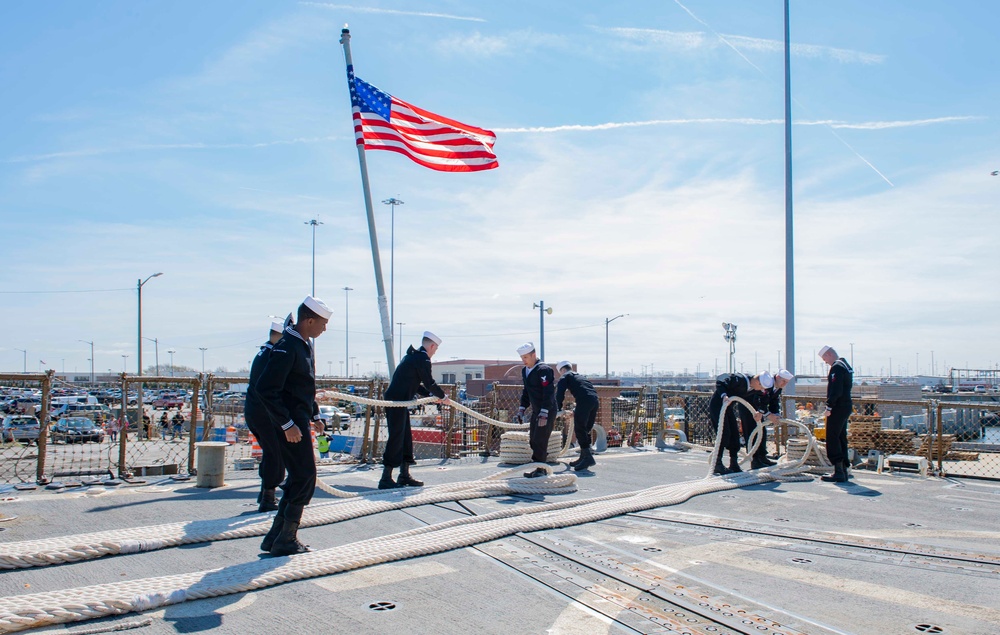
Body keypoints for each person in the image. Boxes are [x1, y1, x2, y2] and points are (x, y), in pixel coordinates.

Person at [254, 295, 331, 556]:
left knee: (301, 476)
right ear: (309, 320)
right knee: (304, 476)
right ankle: (286, 538)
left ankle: (276, 536)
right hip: (288, 426)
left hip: (296, 421)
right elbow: (265, 389)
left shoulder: (303, 344)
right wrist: (287, 424)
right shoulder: (288, 346)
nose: (325, 328)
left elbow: (302, 387)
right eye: (322, 323)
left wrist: (316, 414)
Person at [380, 331, 449, 489]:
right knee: (396, 438)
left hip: (399, 401)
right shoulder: (422, 358)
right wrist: (442, 396)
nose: (434, 352)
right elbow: (429, 382)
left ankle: (404, 475)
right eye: (435, 349)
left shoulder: (412, 356)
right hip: (396, 402)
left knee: (405, 438)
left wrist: (432, 395)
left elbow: (416, 385)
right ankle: (386, 477)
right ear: (432, 346)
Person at [244, 318, 289, 512]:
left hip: (256, 411)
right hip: (265, 413)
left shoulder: (262, 353)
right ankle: (268, 496)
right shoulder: (272, 356)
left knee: (271, 452)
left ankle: (265, 492)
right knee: (275, 453)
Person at [707, 371, 773, 475]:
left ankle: (734, 463)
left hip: (729, 408)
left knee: (734, 434)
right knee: (724, 434)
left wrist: (760, 412)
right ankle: (717, 463)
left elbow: (764, 398)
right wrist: (724, 395)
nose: (761, 390)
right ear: (757, 381)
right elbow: (721, 379)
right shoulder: (740, 379)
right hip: (718, 406)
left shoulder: (754, 389)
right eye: (761, 387)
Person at [517, 343, 557, 478]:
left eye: (526, 357)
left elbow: (549, 391)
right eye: (522, 357)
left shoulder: (543, 370)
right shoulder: (525, 371)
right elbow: (526, 391)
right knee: (533, 439)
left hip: (547, 410)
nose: (524, 360)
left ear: (534, 355)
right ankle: (540, 466)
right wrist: (522, 408)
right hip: (536, 410)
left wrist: (544, 411)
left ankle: (541, 469)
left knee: (540, 438)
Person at [555, 361, 600, 473]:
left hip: (584, 401)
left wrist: (557, 408)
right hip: (594, 400)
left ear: (562, 370)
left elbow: (560, 393)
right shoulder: (580, 376)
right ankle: (583, 457)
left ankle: (588, 458)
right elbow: (586, 391)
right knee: (585, 429)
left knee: (579, 428)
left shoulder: (565, 376)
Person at [746, 369, 794, 469]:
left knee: (762, 432)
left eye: (786, 382)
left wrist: (776, 414)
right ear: (777, 377)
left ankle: (762, 457)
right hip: (749, 406)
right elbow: (758, 400)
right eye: (783, 381)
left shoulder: (777, 388)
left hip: (760, 409)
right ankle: (755, 460)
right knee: (752, 432)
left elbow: (773, 401)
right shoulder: (767, 383)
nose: (784, 384)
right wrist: (768, 415)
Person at [819, 346, 853, 483]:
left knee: (832, 437)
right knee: (841, 437)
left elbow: (836, 389)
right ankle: (843, 469)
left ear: (829, 354)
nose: (825, 362)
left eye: (825, 358)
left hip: (838, 407)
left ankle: (838, 470)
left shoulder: (837, 367)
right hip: (845, 405)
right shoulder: (845, 365)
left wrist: (829, 406)